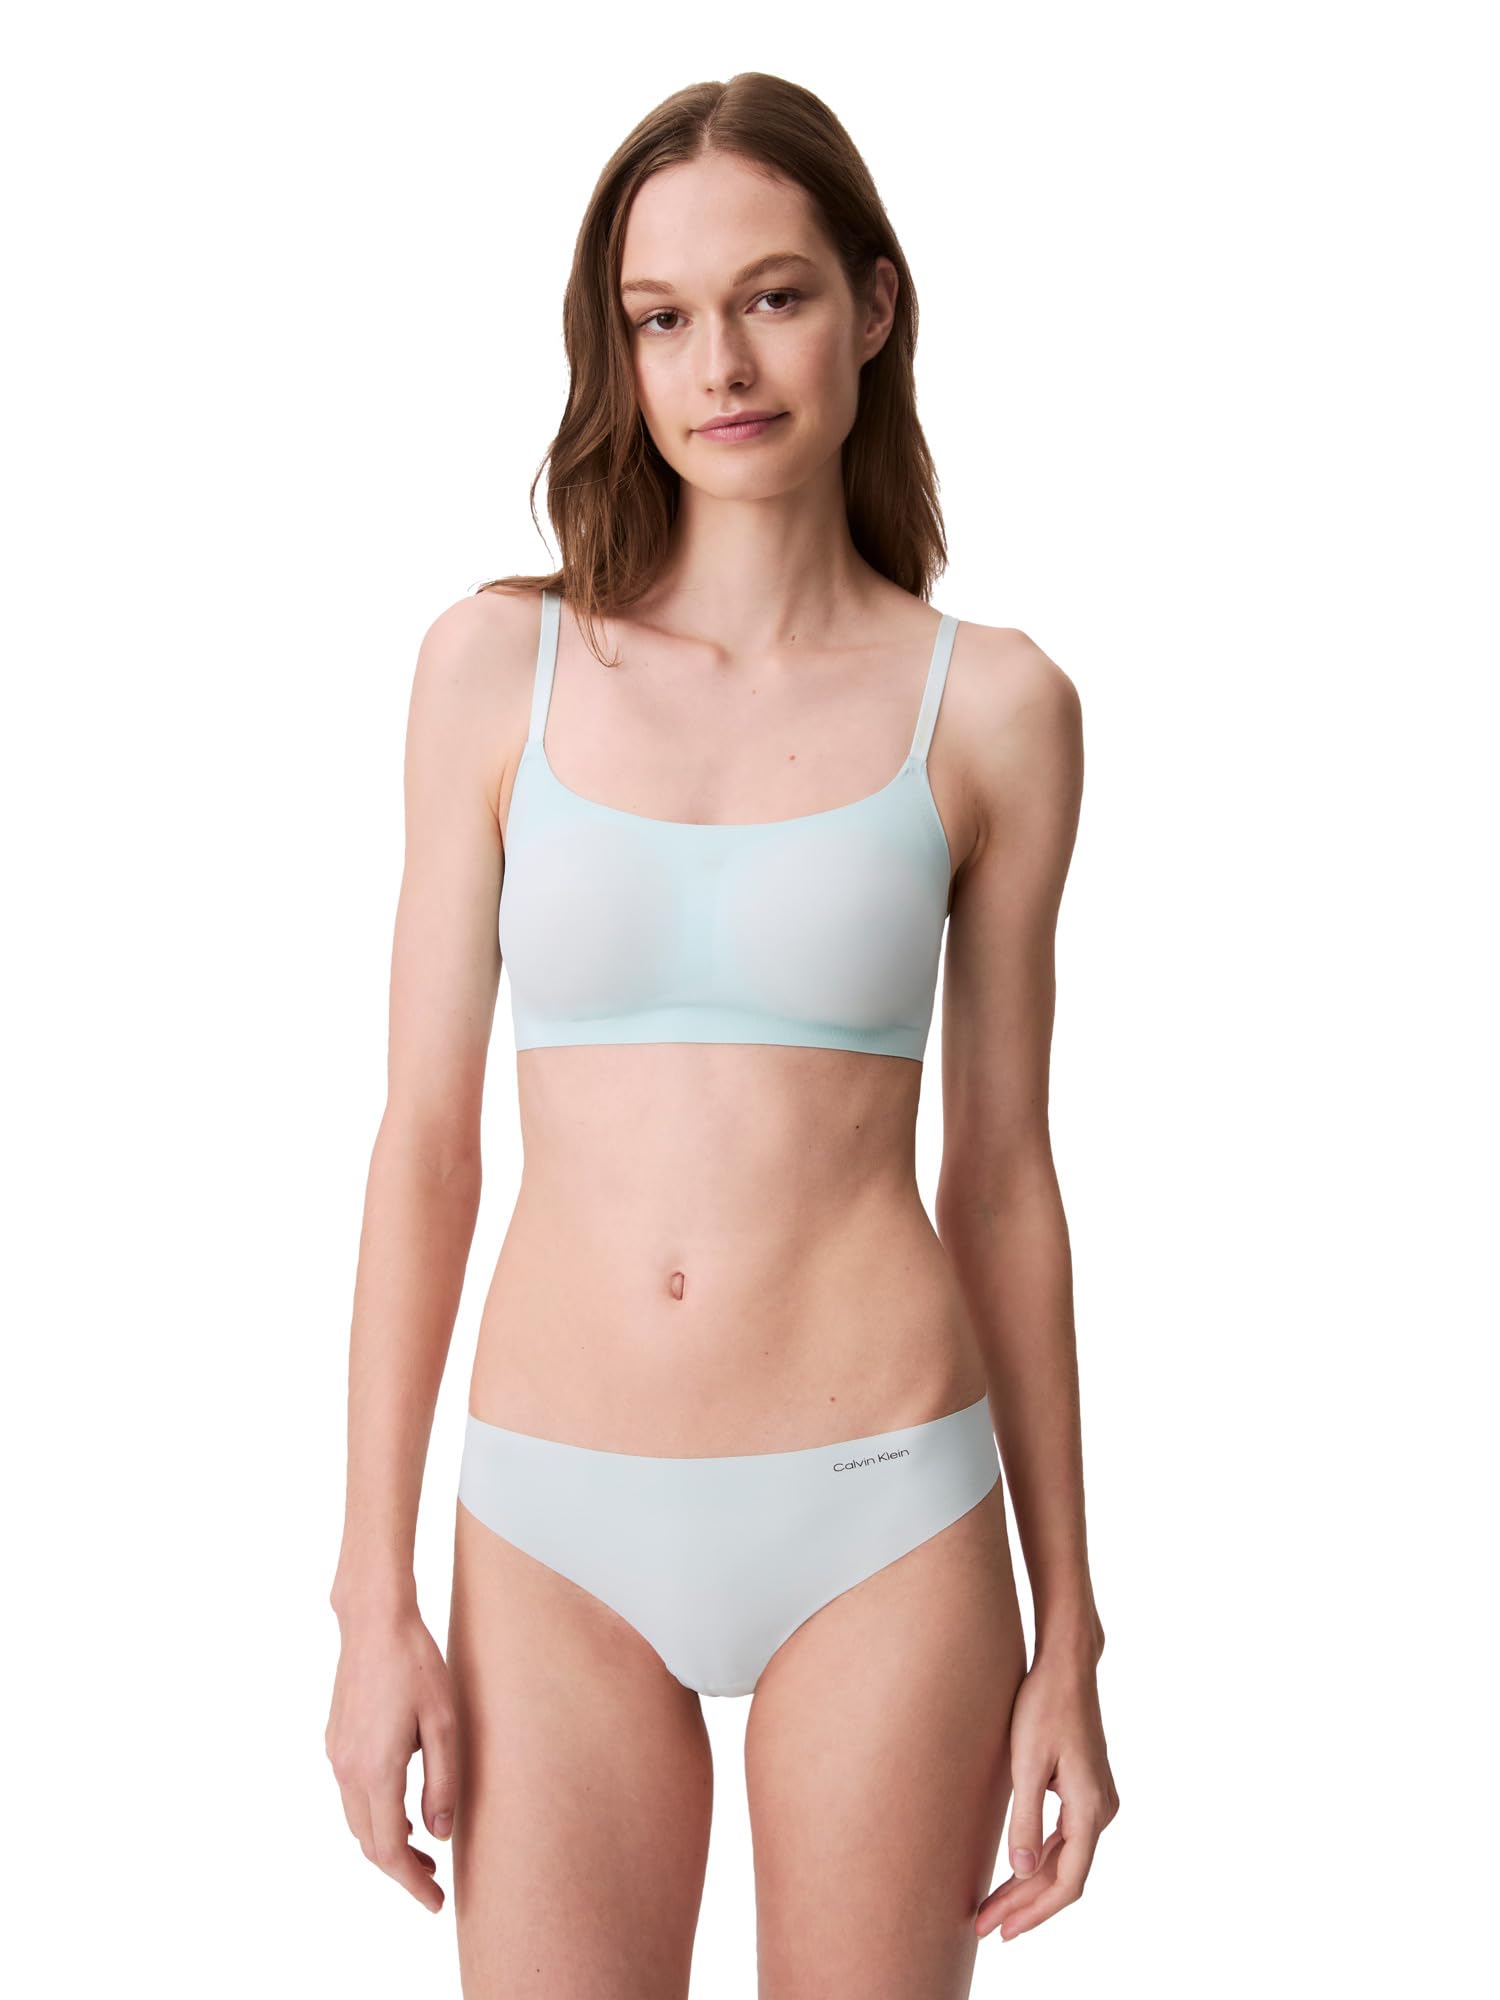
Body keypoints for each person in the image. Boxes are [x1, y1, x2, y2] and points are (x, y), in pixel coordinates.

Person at [325, 70, 1118, 1998]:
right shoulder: (492, 669)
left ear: (875, 303)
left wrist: (1073, 1636)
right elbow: (424, 1147)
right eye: (661, 317)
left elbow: (1003, 1182)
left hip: (881, 1511)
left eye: (774, 297)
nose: (720, 365)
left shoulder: (995, 709)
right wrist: (368, 1597)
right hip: (552, 1518)